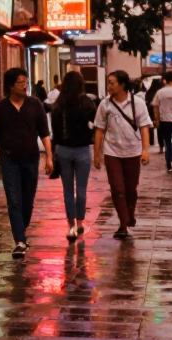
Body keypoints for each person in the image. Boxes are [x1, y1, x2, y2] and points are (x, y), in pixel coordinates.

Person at [0, 68, 52, 259]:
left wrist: (49, 157)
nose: (25, 85)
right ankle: (20, 241)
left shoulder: (34, 104)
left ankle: (21, 231)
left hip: (31, 159)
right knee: (13, 200)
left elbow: (44, 133)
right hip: (9, 160)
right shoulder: (1, 108)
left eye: (26, 82)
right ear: (10, 85)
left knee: (27, 201)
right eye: (20, 82)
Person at [93, 70, 153, 239]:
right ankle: (123, 223)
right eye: (108, 82)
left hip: (133, 151)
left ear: (123, 84)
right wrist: (96, 154)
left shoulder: (138, 103)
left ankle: (129, 214)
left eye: (112, 83)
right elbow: (99, 130)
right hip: (112, 151)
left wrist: (145, 150)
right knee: (117, 188)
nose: (109, 86)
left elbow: (145, 127)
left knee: (130, 189)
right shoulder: (105, 105)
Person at [50, 71, 97, 241]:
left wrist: (52, 152)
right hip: (83, 149)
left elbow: (55, 132)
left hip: (63, 150)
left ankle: (70, 226)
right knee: (82, 190)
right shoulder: (87, 103)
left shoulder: (58, 104)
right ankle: (80, 223)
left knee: (68, 190)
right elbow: (95, 125)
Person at [144, 78, 163, 151]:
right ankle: (162, 145)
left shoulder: (149, 91)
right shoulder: (160, 92)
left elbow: (147, 100)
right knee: (161, 129)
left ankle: (151, 142)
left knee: (152, 127)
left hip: (151, 111)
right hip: (160, 110)